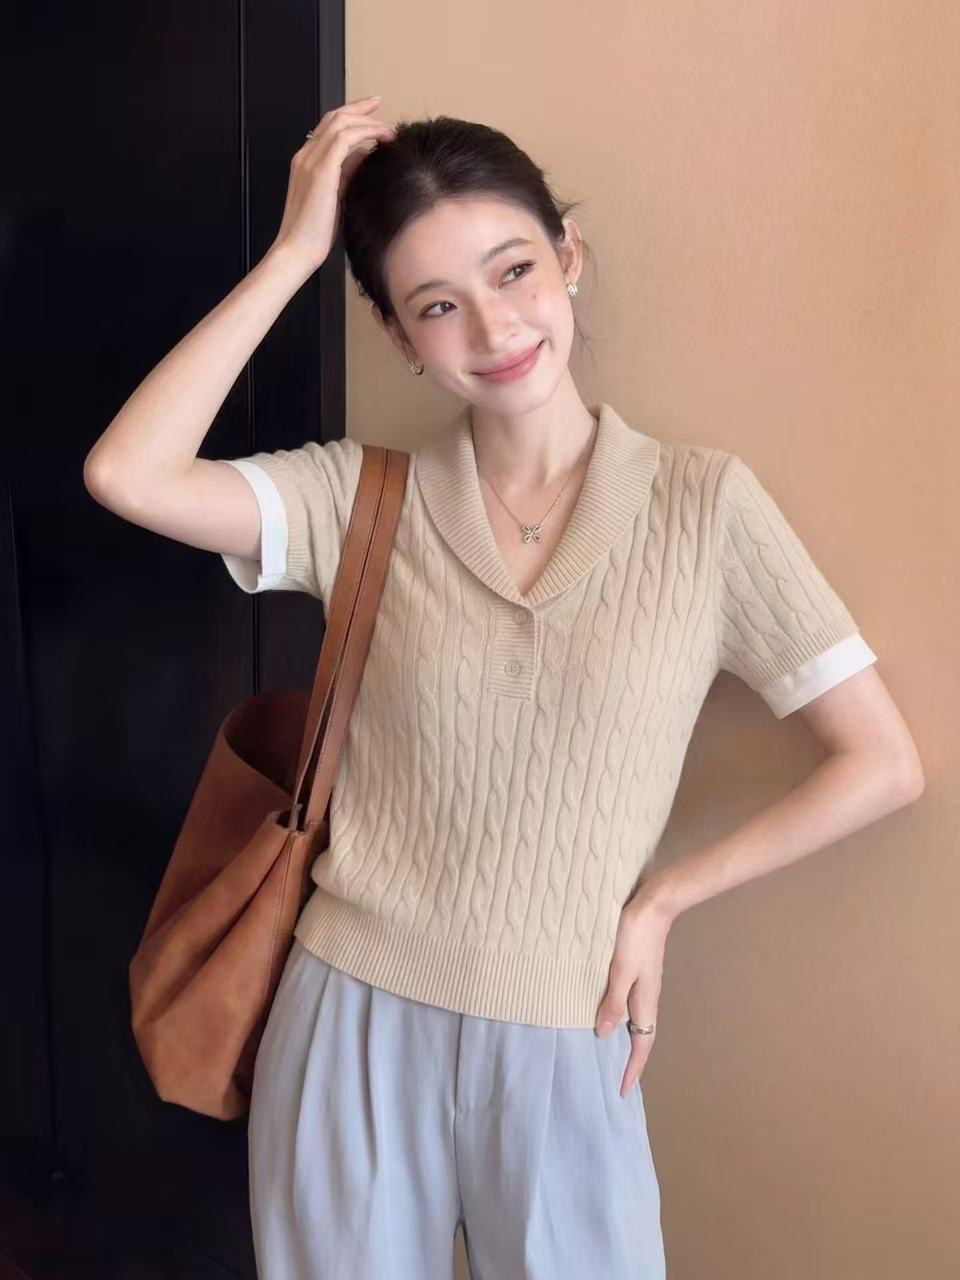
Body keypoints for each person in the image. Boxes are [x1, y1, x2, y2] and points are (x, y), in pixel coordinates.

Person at [84, 96, 925, 1280]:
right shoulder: (358, 500)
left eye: (514, 269)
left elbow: (882, 762)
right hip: (348, 1016)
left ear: (568, 256)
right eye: (436, 304)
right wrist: (294, 253)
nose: (494, 325)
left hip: (573, 1030)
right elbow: (128, 472)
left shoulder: (705, 508)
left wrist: (663, 901)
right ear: (399, 337)